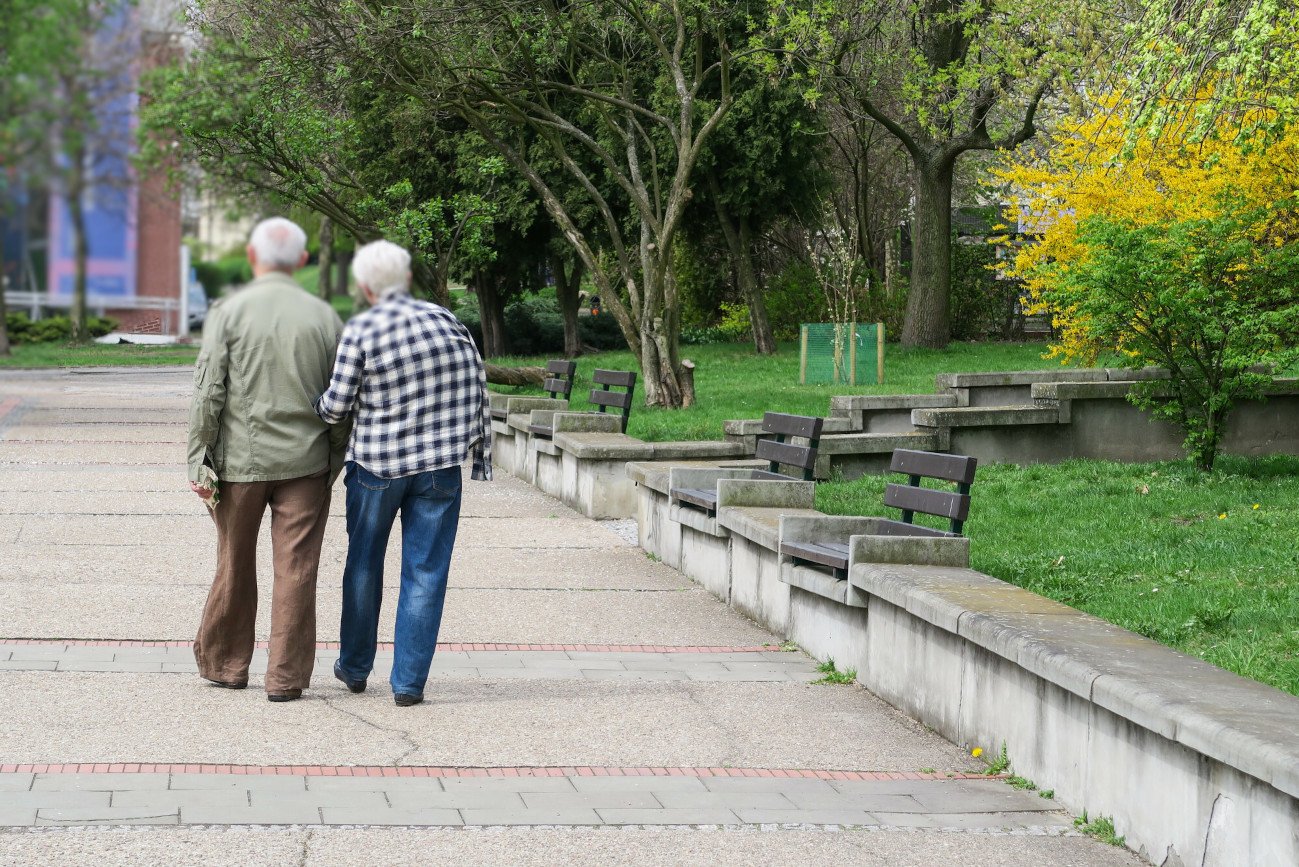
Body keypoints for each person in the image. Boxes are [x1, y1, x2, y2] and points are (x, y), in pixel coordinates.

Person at [316, 240, 491, 707]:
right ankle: (409, 682)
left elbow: (336, 407)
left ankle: (355, 667)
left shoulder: (362, 328)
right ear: (407, 279)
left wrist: (317, 405)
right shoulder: (447, 321)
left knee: (363, 564)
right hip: (439, 470)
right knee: (426, 571)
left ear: (364, 285)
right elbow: (476, 386)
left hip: (376, 468)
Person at [186, 217, 349, 703]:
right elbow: (343, 399)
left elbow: (208, 393)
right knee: (297, 568)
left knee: (234, 562)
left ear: (253, 256)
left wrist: (198, 458)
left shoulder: (228, 313)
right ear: (302, 260)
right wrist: (333, 457)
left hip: (240, 463)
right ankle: (285, 678)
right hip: (307, 462)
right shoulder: (325, 317)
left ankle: (226, 665)